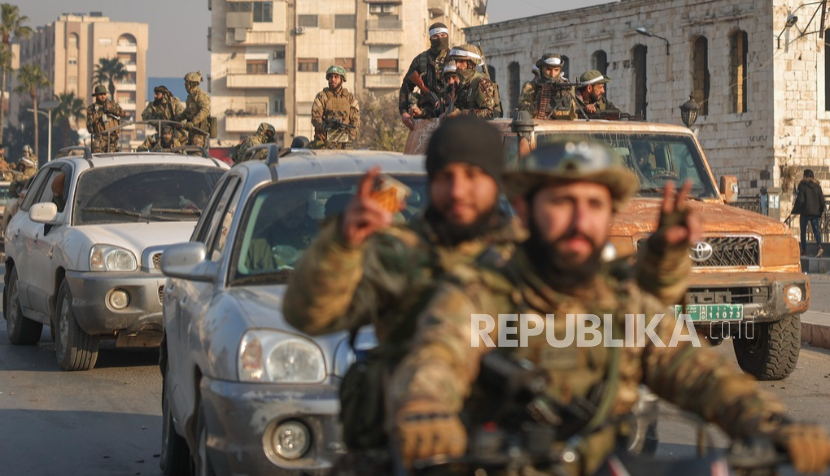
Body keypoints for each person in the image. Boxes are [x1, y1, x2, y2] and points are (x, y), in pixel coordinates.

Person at [388, 140, 830, 475]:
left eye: (594, 205)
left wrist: (770, 425)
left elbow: (698, 372)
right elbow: (437, 358)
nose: (581, 221)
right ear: (523, 208)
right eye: (563, 203)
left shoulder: (627, 308)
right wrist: (427, 412)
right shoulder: (479, 294)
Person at [284, 117, 524, 456]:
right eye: (445, 177)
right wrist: (342, 245)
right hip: (412, 445)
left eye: (472, 175)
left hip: (513, 447)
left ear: (496, 179)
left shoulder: (529, 256)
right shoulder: (400, 254)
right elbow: (308, 315)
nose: (457, 190)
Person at [399, 22, 451, 129]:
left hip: (451, 115)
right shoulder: (421, 60)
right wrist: (403, 111)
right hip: (425, 116)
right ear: (430, 39)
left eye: (443, 35)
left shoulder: (455, 59)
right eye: (436, 36)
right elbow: (406, 86)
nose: (440, 39)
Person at [444, 44, 502, 120]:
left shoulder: (481, 83)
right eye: (456, 61)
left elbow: (489, 114)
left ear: (470, 64)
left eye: (461, 61)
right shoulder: (462, 84)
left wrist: (462, 114)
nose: (457, 65)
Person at [311, 65, 359, 149]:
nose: (333, 79)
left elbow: (356, 120)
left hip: (345, 141)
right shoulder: (322, 96)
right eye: (330, 77)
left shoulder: (350, 98)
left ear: (342, 79)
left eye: (336, 77)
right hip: (325, 141)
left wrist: (350, 134)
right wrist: (325, 127)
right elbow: (315, 117)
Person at [518, 53, 578, 120]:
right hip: (539, 125)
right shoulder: (531, 86)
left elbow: (573, 113)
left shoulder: (566, 87)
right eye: (548, 69)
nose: (552, 74)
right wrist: (539, 104)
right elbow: (523, 109)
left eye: (556, 70)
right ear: (542, 69)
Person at [790, 169, 826, 257]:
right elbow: (822, 201)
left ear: (805, 176)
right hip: (815, 213)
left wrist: (795, 209)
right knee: (816, 231)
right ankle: (819, 247)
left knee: (803, 232)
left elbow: (801, 200)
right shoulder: (818, 187)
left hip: (805, 212)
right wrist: (820, 212)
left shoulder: (802, 185)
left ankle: (804, 251)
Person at [175, 71, 211, 148]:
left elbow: (205, 110)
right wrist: (177, 118)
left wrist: (193, 123)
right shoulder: (191, 97)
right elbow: (188, 112)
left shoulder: (200, 95)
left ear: (192, 83)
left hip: (199, 132)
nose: (185, 84)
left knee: (196, 153)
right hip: (192, 131)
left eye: (187, 82)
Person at [87, 85, 124, 153]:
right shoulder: (91, 108)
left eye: (104, 94)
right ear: (96, 95)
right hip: (100, 138)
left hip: (113, 138)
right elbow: (90, 122)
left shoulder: (112, 104)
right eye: (101, 94)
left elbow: (123, 113)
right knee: (98, 158)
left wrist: (112, 109)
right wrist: (102, 111)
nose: (103, 96)